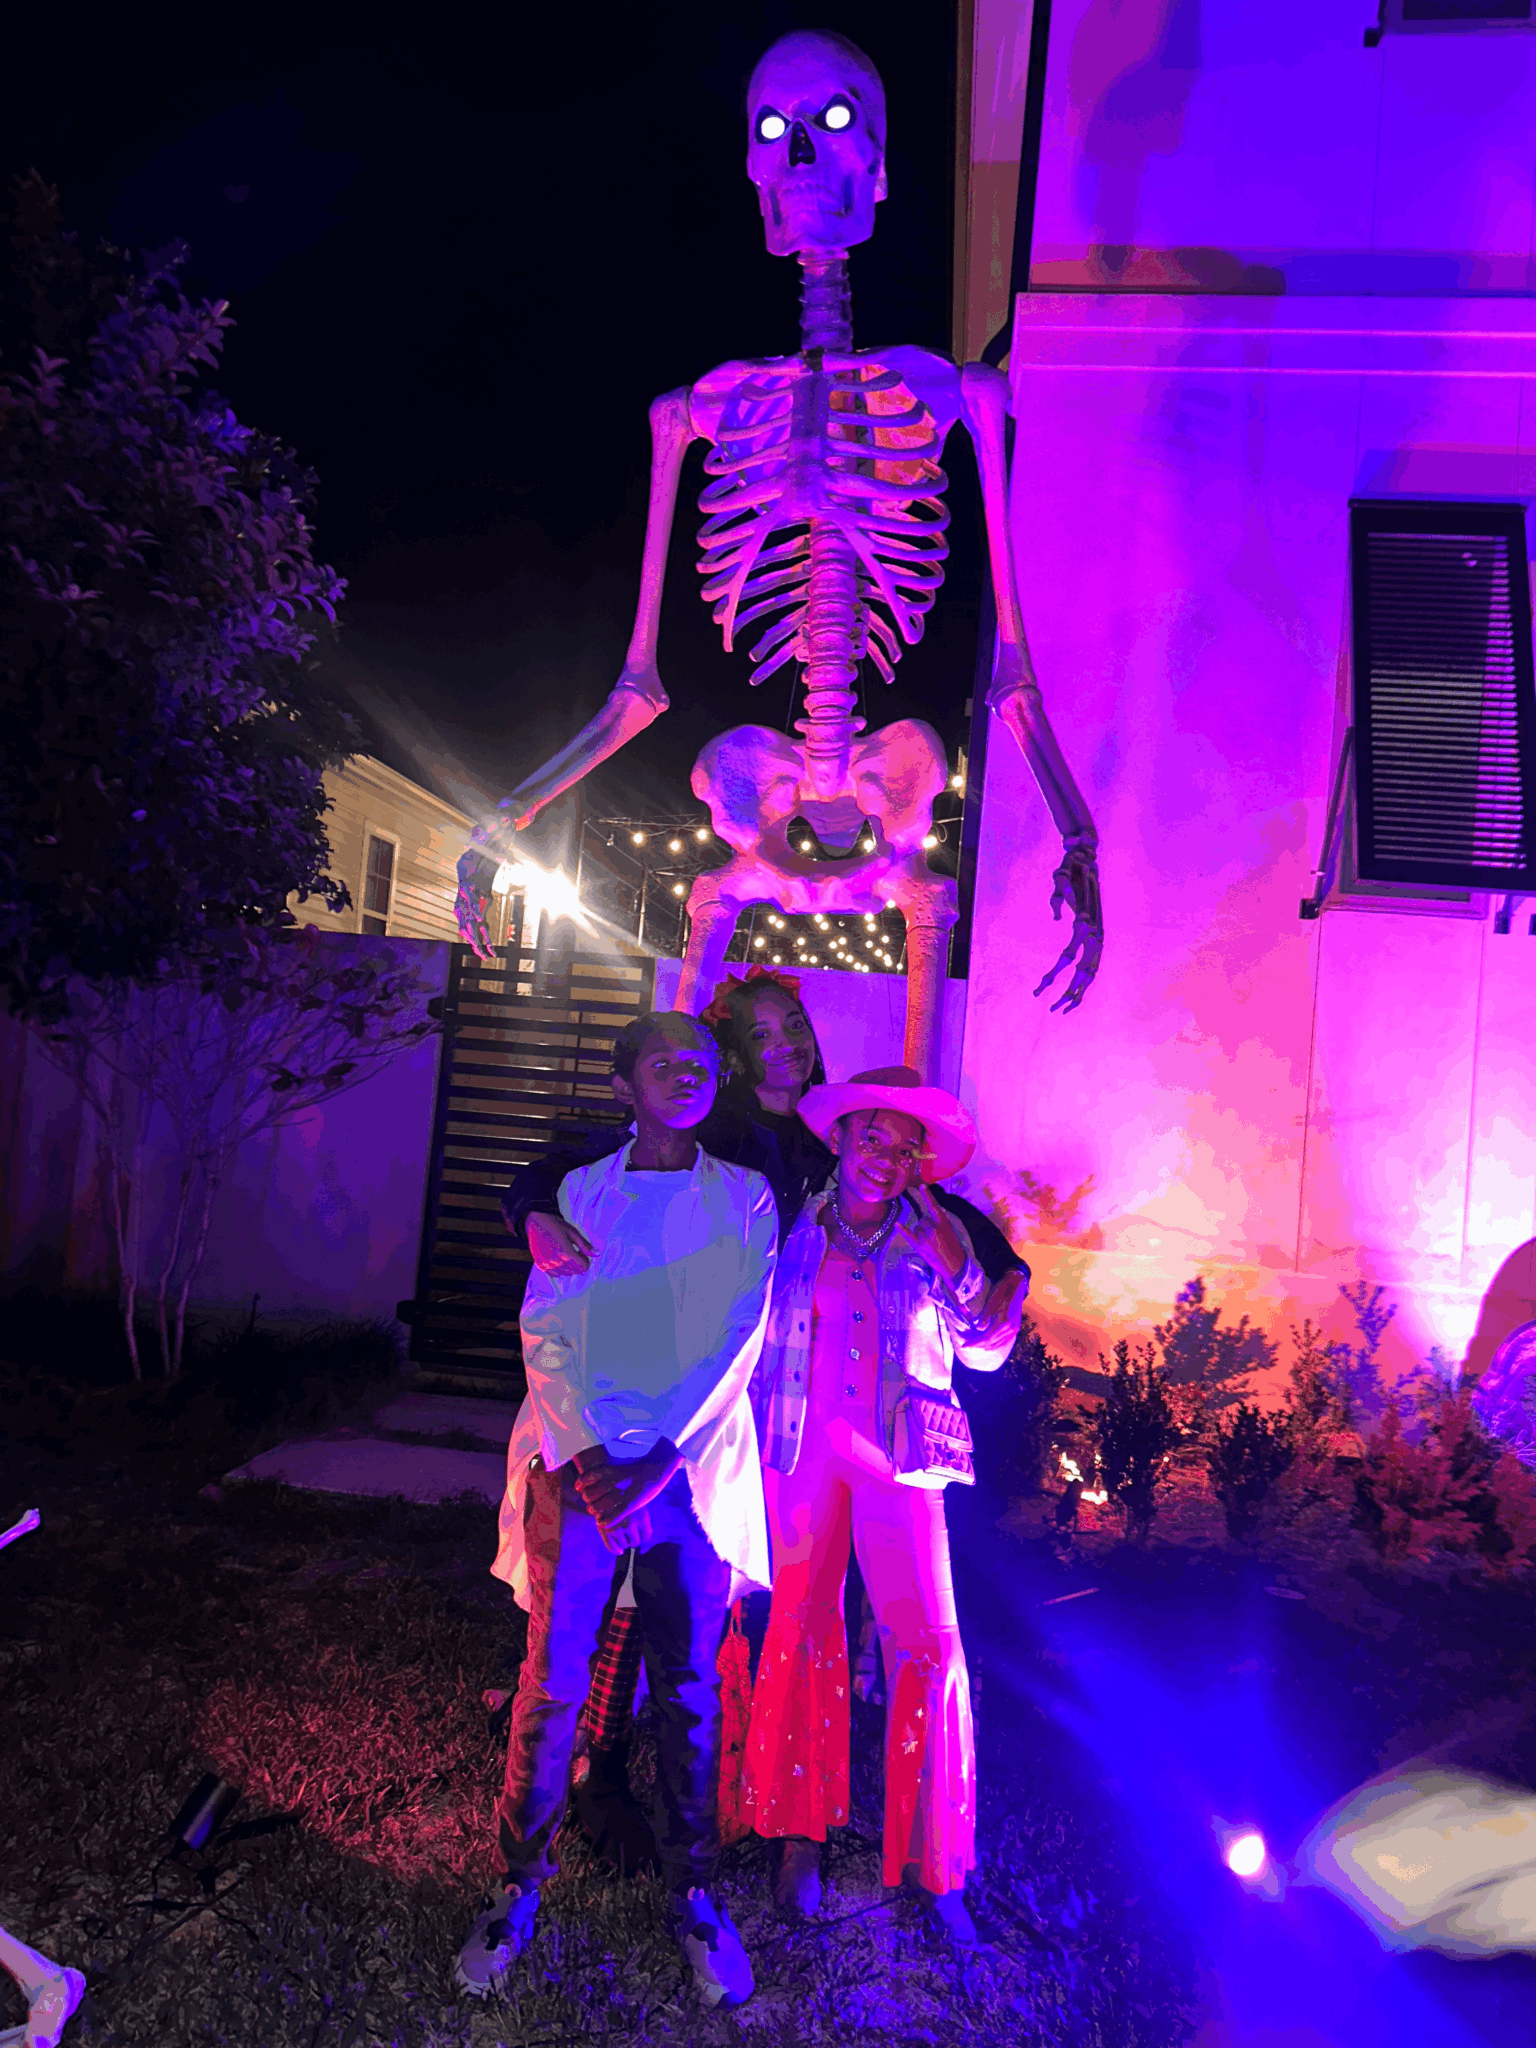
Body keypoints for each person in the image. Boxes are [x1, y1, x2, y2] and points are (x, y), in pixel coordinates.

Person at [457, 1011, 777, 2011]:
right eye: (662, 1061)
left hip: (691, 1470)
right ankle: (517, 1883)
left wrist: (661, 1462)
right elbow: (545, 1325)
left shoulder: (747, 1197)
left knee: (689, 1687)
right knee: (553, 1680)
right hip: (579, 1461)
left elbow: (743, 1332)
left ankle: (695, 1893)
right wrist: (596, 1458)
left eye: (702, 1061)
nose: (685, 1073)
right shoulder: (580, 1192)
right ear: (622, 1085)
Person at [741, 1067, 1022, 1943]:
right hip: (800, 1454)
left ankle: (933, 1862)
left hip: (905, 1465)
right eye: (872, 1137)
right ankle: (799, 1835)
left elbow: (988, 1351)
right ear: (840, 1137)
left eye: (906, 1150)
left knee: (929, 1643)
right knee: (800, 1626)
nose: (885, 1159)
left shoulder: (939, 1230)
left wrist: (960, 1265)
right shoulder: (791, 1218)